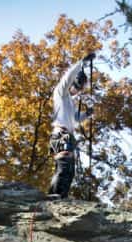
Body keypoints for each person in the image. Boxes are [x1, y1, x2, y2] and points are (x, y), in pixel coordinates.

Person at [48, 52, 95, 198]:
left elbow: (75, 119)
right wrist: (82, 63)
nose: (78, 90)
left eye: (81, 88)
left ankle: (62, 197)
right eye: (78, 86)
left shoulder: (70, 101)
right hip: (60, 134)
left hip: (68, 135)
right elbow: (67, 77)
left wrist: (87, 114)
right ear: (73, 83)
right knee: (63, 166)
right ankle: (53, 197)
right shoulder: (60, 93)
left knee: (70, 171)